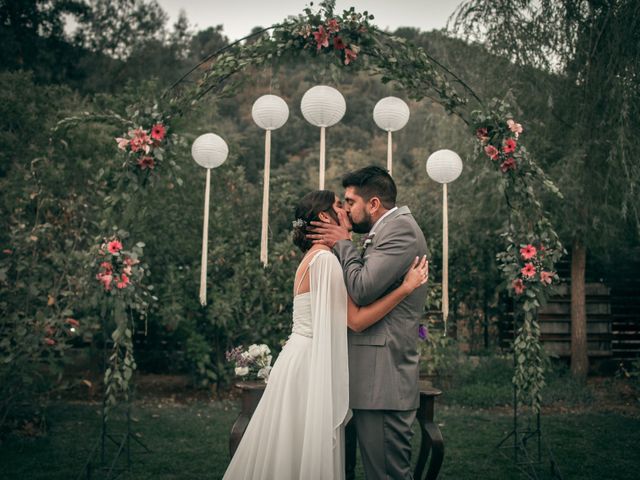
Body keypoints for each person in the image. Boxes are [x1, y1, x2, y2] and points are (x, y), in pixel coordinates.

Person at [223, 190, 428, 480]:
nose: (345, 211)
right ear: (324, 217)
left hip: (299, 359)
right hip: (310, 366)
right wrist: (405, 289)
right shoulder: (326, 261)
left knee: (289, 452)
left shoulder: (314, 257)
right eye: (338, 206)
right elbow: (355, 321)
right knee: (303, 454)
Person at [308, 166, 429, 479]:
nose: (346, 209)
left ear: (373, 204)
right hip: (373, 379)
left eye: (350, 202)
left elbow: (361, 289)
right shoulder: (387, 230)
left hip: (383, 380)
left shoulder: (400, 230)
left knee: (387, 474)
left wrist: (344, 242)